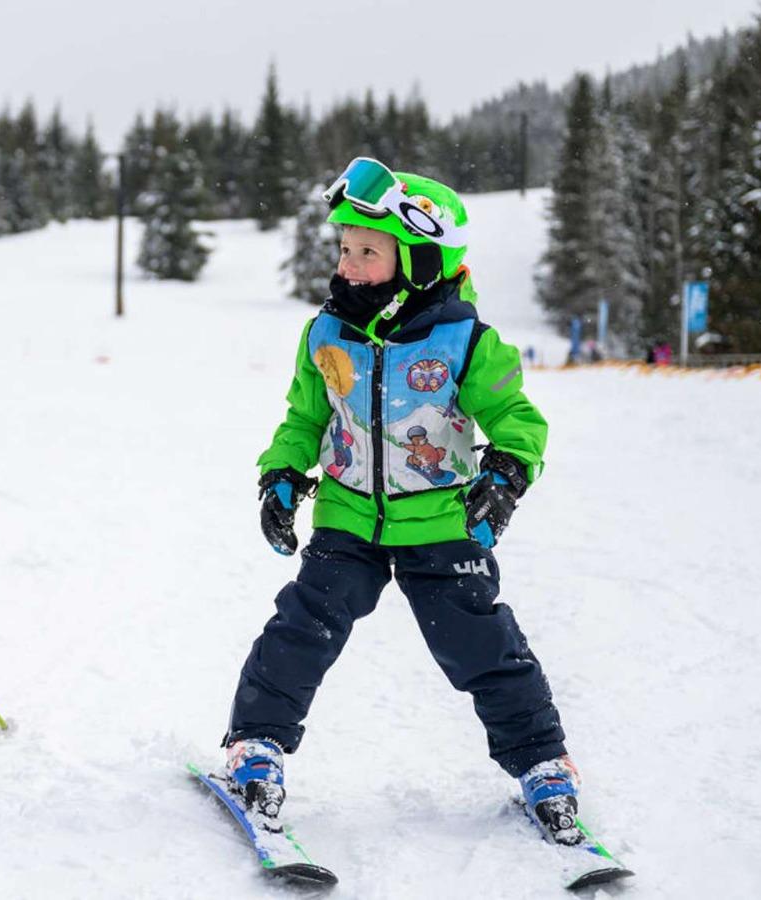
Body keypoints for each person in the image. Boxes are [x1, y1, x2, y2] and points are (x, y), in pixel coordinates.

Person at [223, 158, 587, 846]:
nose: (349, 264)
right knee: (301, 629)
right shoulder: (327, 334)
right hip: (348, 518)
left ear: (420, 260)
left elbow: (517, 417)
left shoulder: (466, 341)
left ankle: (542, 761)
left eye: (368, 251)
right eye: (344, 248)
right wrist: (281, 473)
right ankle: (256, 744)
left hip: (442, 522)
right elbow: (305, 418)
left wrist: (506, 471)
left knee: (481, 645)